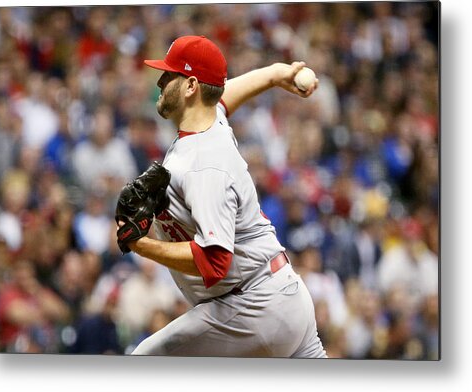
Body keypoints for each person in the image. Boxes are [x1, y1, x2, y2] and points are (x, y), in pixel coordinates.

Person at [117, 35, 326, 358]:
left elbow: (215, 262)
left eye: (168, 75)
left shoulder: (204, 164)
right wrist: (274, 74)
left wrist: (142, 246)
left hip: (253, 307)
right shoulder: (211, 122)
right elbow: (224, 97)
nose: (160, 81)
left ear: (190, 87)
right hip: (285, 297)